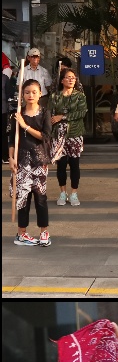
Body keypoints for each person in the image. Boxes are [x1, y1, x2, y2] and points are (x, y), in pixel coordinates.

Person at [10, 78, 52, 247]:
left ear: (40, 94)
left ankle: (44, 232)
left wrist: (25, 126)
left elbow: (45, 137)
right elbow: (11, 140)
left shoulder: (44, 113)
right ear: (22, 94)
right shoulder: (17, 114)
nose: (30, 95)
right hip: (21, 161)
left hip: (39, 161)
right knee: (23, 198)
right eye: (27, 92)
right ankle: (22, 233)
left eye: (34, 92)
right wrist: (11, 158)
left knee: (40, 197)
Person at [49, 68, 87, 208]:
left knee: (75, 165)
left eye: (73, 77)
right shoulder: (55, 97)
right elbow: (50, 115)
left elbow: (81, 113)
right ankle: (62, 192)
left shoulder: (80, 96)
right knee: (61, 165)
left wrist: (62, 117)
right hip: (59, 135)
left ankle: (74, 193)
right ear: (62, 80)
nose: (71, 79)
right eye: (68, 77)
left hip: (75, 134)